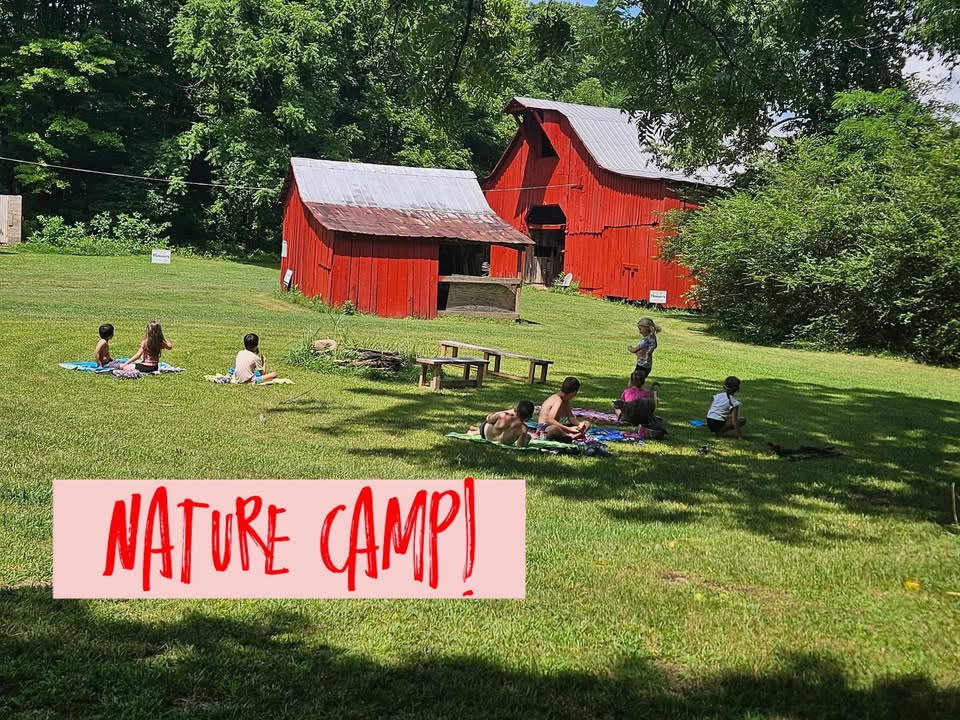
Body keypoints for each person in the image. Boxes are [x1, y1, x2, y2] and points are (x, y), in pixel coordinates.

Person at [537, 376, 591, 442]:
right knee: (553, 429)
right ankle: (570, 436)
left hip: (559, 427)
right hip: (545, 428)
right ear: (574, 392)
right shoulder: (557, 399)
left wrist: (579, 425)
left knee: (586, 423)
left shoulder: (565, 400)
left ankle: (571, 436)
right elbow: (550, 420)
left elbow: (571, 418)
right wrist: (569, 429)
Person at [468, 400, 534, 447]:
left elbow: (488, 418)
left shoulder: (503, 416)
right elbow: (520, 446)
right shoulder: (523, 429)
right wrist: (527, 440)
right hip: (493, 437)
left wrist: (506, 411)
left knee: (494, 423)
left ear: (515, 409)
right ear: (530, 417)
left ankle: (475, 430)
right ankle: (475, 429)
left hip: (486, 434)